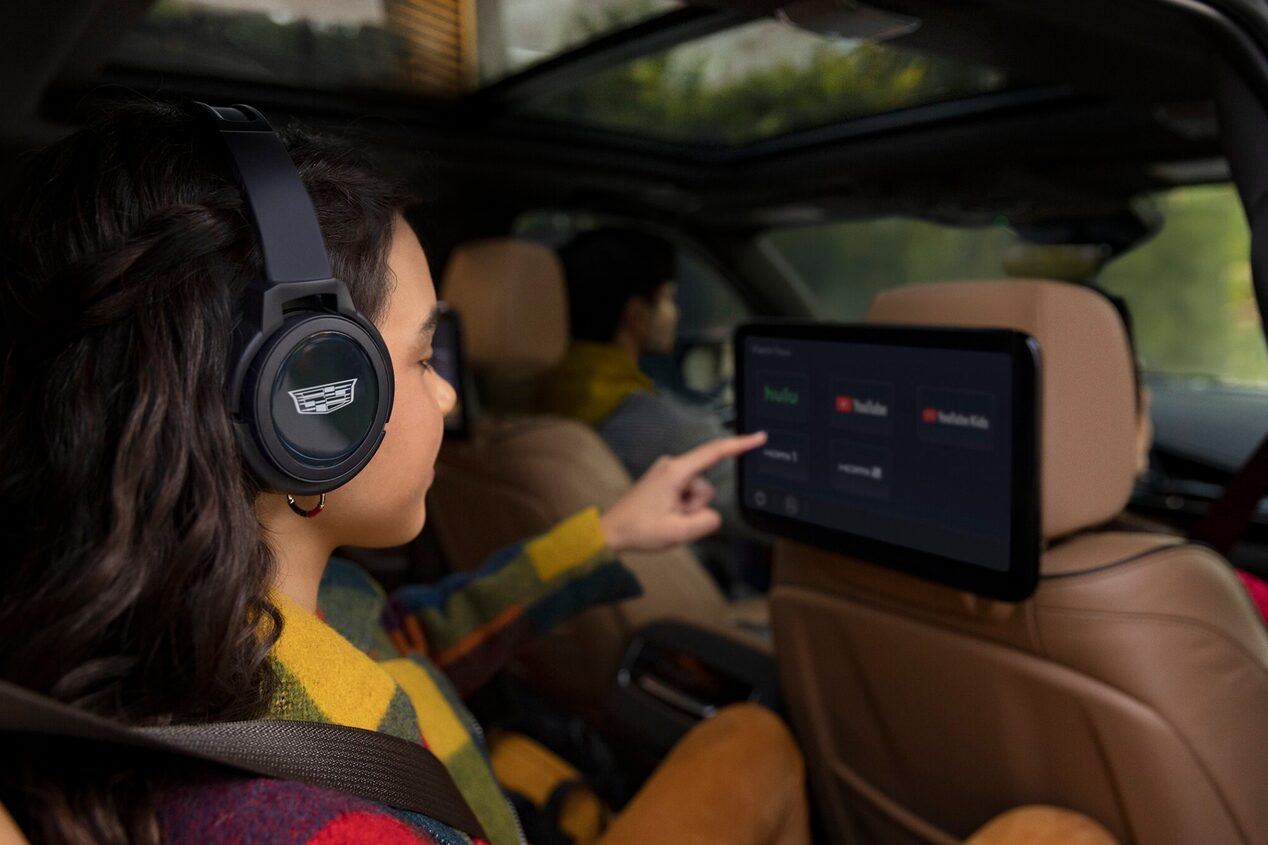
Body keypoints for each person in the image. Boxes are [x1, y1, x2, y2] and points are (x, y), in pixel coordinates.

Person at [0, 101, 806, 845]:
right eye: (422, 356)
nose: (449, 392)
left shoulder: (207, 621)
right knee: (759, 737)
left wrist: (612, 533)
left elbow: (407, 638)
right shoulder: (323, 824)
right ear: (300, 405)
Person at [535, 229, 746, 535]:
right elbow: (758, 509)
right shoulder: (671, 432)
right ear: (636, 316)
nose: (676, 311)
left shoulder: (525, 402)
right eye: (668, 297)